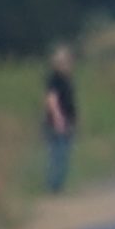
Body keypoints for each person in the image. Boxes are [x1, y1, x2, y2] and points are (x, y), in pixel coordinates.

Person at [43, 45, 78, 193]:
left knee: (63, 155)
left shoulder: (66, 79)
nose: (68, 64)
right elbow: (51, 100)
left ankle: (58, 185)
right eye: (65, 62)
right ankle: (54, 186)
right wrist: (58, 118)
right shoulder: (55, 79)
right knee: (58, 154)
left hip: (67, 121)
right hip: (58, 122)